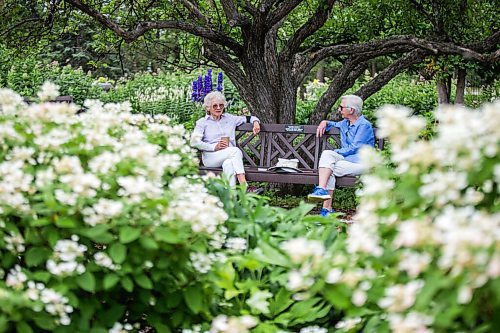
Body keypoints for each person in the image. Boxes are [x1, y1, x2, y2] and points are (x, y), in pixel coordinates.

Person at [308, 95, 374, 216]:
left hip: (362, 163)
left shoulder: (364, 126)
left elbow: (355, 148)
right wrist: (324, 122)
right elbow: (333, 124)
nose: (339, 110)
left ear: (351, 110)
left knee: (330, 169)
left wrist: (337, 152)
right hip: (346, 162)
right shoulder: (345, 123)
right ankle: (322, 190)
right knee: (327, 156)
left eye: (341, 107)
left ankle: (326, 209)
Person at [191, 91, 263, 194]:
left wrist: (256, 123)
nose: (218, 108)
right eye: (215, 106)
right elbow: (194, 142)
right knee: (235, 151)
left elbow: (250, 118)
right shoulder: (202, 123)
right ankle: (244, 186)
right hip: (211, 157)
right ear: (208, 108)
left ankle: (231, 199)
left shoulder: (230, 118)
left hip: (228, 156)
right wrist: (214, 147)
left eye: (221, 105)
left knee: (229, 164)